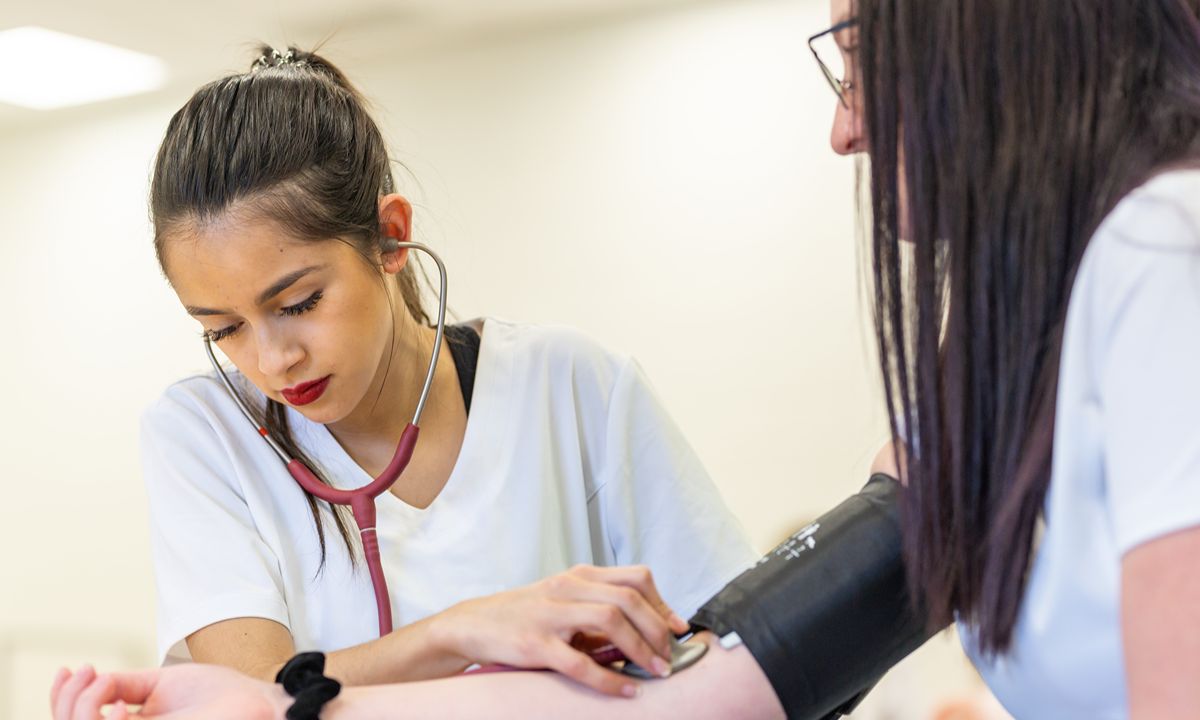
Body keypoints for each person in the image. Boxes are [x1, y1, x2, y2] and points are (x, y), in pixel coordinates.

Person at [52, 0, 1200, 716]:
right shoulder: (1017, 338)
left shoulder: (1156, 258)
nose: (841, 126)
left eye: (853, 59)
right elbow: (694, 701)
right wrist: (305, 700)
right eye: (220, 329)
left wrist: (296, 703)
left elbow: (711, 673)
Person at [135, 45, 757, 697]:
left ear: (390, 237)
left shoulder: (567, 386)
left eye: (299, 303)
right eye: (223, 329)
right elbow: (249, 699)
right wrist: (460, 632)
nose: (272, 360)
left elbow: (737, 641)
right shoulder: (204, 434)